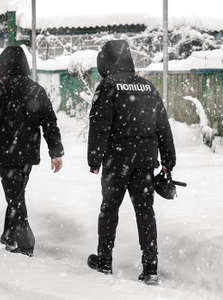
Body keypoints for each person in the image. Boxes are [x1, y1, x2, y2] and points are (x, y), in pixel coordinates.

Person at [87, 40, 176, 284]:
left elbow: (99, 124)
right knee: (145, 212)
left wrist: (94, 158)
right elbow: (162, 126)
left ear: (106, 61)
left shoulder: (108, 86)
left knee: (109, 209)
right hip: (145, 161)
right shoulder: (148, 87)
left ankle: (104, 260)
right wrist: (169, 160)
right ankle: (151, 267)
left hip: (117, 160)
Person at [0, 46, 64, 257]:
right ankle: (9, 236)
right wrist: (55, 151)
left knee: (15, 197)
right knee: (16, 194)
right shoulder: (36, 89)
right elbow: (50, 123)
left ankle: (25, 244)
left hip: (5, 153)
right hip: (28, 154)